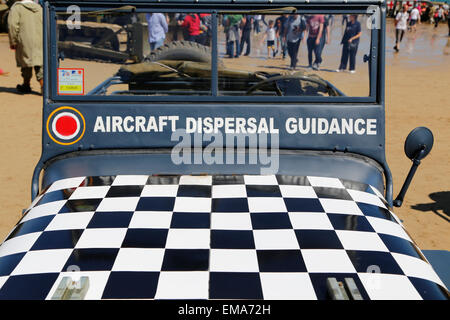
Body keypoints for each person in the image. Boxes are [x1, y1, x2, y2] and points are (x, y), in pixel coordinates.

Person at [8, 0, 43, 94]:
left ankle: (29, 85)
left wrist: (13, 40)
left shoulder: (17, 8)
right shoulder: (40, 8)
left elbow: (12, 25)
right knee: (39, 62)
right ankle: (39, 86)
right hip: (40, 39)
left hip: (25, 39)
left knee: (26, 62)